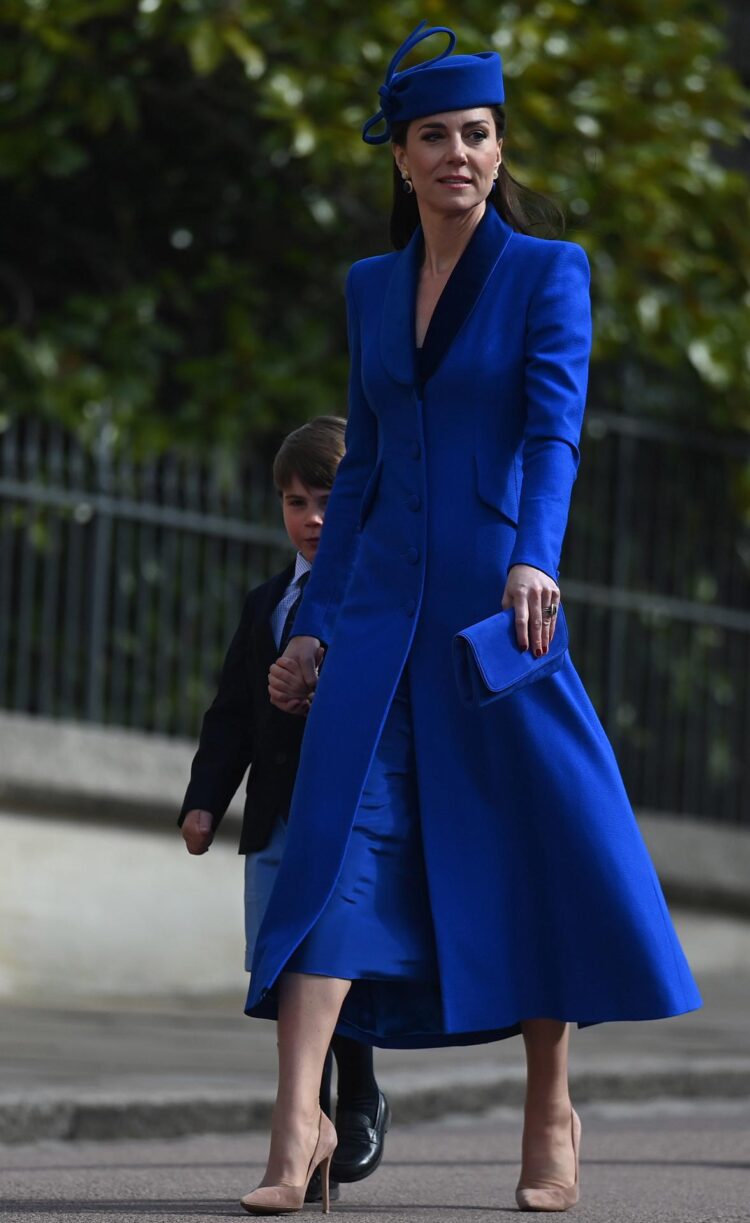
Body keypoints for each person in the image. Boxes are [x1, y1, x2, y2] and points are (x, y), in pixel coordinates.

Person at [240, 21, 702, 1216]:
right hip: (380, 618)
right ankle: (298, 1123)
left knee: (532, 851)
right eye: (435, 135)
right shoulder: (371, 288)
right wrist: (316, 620)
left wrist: (534, 563)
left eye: (478, 134)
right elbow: (365, 467)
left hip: (501, 620)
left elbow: (555, 431)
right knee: (335, 853)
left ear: (500, 149)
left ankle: (551, 1102)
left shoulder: (552, 273)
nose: (459, 154)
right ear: (399, 155)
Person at [178, 416, 390, 1207]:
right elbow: (230, 711)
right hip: (275, 818)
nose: (312, 519)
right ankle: (316, 1115)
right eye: (296, 500)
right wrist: (205, 799)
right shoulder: (267, 601)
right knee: (282, 968)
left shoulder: (376, 602)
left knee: (337, 952)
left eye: (330, 500)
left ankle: (356, 1092)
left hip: (352, 816)